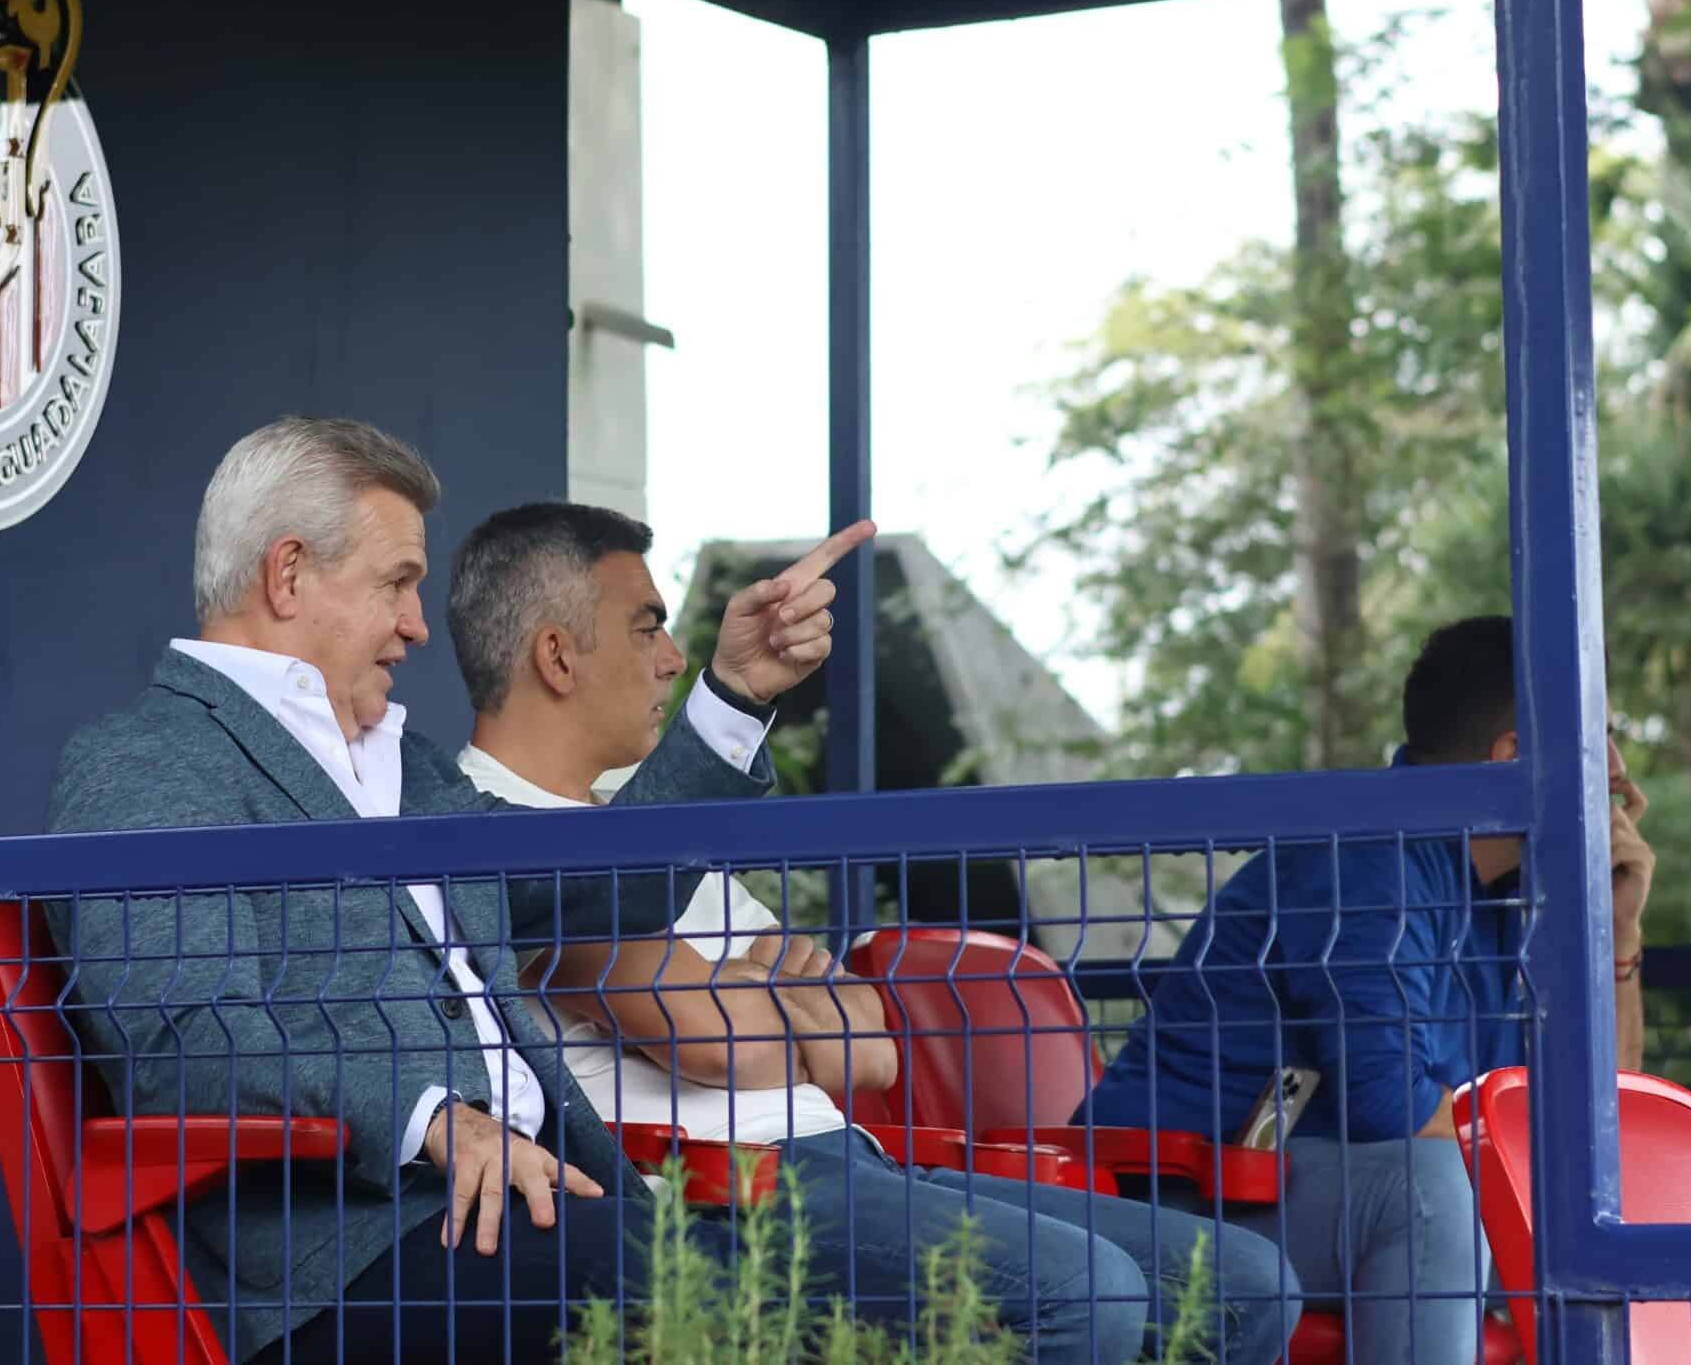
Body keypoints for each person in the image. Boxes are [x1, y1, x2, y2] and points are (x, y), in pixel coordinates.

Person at [46, 416, 866, 1363]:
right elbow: (184, 1035)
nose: (417, 625)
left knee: (798, 1303)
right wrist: (431, 1113)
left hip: (537, 1210)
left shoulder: (410, 771)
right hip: (349, 1255)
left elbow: (603, 886)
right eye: (396, 582)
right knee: (740, 1317)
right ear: (287, 575)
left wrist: (732, 695)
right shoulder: (150, 761)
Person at [445, 500, 1304, 1365]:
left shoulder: (646, 827)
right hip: (718, 1190)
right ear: (557, 656)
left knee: (1247, 1282)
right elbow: (713, 1042)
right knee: (1089, 1291)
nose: (673, 659)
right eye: (648, 629)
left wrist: (748, 998)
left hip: (855, 1160)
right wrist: (767, 1001)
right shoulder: (496, 829)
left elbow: (872, 1044)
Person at [1077, 614, 1658, 1365]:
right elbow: (1394, 1109)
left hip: (1293, 1196)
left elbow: (1599, 1114)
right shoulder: (1374, 855)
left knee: (1579, 1202)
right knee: (1432, 1189)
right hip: (1165, 1196)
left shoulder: (1509, 897)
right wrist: (1566, 1142)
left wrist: (1614, 931)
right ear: (1512, 757)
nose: (1616, 768)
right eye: (1597, 736)